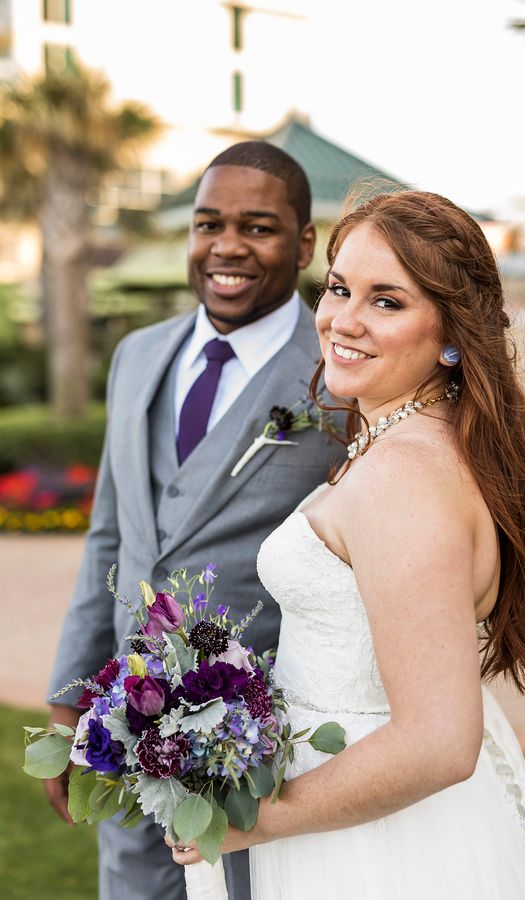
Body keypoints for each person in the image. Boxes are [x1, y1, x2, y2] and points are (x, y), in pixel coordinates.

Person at [168, 190, 525, 898]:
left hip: (381, 843)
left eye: (387, 301)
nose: (342, 320)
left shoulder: (405, 476)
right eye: (339, 287)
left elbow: (439, 742)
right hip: (358, 805)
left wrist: (256, 820)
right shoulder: (408, 440)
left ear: (452, 333)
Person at [45, 142, 344, 900]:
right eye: (209, 223)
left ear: (305, 243)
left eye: (259, 227)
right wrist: (71, 693)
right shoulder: (137, 355)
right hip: (125, 726)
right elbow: (110, 537)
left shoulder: (338, 375)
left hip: (263, 749)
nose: (228, 247)